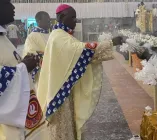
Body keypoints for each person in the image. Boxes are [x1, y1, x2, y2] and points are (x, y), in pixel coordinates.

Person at [37, 4, 124, 140]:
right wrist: (111, 42)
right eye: (72, 17)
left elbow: (77, 53)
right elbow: (83, 51)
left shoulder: (61, 35)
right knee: (62, 131)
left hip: (63, 90)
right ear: (61, 17)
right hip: (59, 93)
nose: (75, 21)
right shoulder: (58, 37)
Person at [0, 0, 46, 140]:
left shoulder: (3, 37)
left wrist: (23, 62)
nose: (13, 7)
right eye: (7, 3)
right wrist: (23, 67)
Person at [23, 11, 51, 89]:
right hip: (41, 72)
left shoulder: (51, 34)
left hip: (52, 70)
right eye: (47, 20)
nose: (49, 22)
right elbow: (31, 54)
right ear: (39, 21)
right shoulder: (32, 36)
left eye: (49, 20)